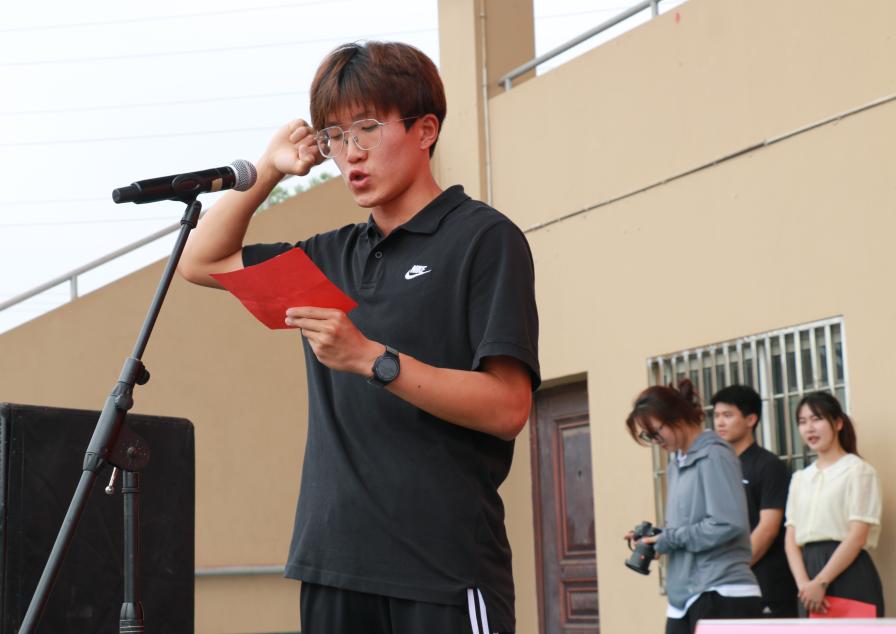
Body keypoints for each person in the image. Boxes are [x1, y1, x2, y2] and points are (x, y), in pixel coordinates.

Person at [178, 41, 540, 634]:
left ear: (425, 130)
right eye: (334, 136)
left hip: (444, 572)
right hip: (332, 566)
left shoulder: (484, 239)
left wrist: (373, 360)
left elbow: (507, 407)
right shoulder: (328, 257)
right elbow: (200, 261)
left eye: (367, 128)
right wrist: (268, 170)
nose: (351, 152)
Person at [625, 379, 762, 634]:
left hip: (722, 592)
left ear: (677, 418)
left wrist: (670, 538)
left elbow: (727, 524)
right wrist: (656, 540)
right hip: (684, 597)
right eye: (648, 436)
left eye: (656, 432)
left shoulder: (715, 454)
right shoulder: (676, 462)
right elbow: (688, 526)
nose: (655, 441)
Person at [783, 391, 884, 617]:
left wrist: (821, 582)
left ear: (838, 423)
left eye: (816, 419)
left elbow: (857, 536)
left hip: (848, 571)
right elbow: (791, 540)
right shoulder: (800, 478)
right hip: (807, 576)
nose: (809, 428)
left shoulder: (858, 471)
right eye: (802, 422)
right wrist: (804, 585)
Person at [711, 385, 798, 617]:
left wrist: (733, 568)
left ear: (751, 419)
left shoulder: (769, 465)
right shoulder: (715, 467)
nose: (720, 422)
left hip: (766, 586)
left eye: (728, 415)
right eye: (716, 416)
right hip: (724, 587)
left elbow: (768, 529)